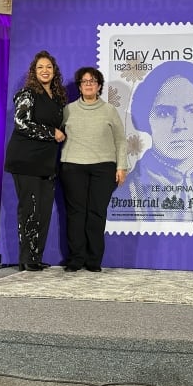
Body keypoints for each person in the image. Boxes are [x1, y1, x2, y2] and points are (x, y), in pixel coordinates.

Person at [112, 61, 193, 221]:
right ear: (147, 119)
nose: (179, 125)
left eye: (192, 110)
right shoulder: (129, 192)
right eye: (165, 113)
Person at [4, 50, 67, 271]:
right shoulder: (27, 94)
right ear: (34, 71)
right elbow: (21, 123)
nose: (45, 71)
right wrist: (52, 133)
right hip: (25, 160)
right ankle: (27, 259)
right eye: (40, 67)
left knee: (43, 211)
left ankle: (35, 257)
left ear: (54, 71)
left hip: (46, 163)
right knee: (29, 210)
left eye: (48, 67)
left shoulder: (58, 99)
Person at [60, 67, 128, 272]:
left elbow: (120, 140)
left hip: (103, 168)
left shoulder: (109, 110)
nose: (89, 84)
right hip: (73, 166)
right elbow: (55, 132)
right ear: (79, 86)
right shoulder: (68, 110)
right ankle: (76, 259)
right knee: (75, 214)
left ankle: (93, 260)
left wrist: (121, 166)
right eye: (84, 81)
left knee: (96, 213)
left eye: (93, 81)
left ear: (99, 86)